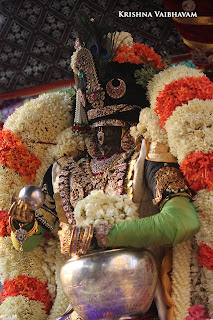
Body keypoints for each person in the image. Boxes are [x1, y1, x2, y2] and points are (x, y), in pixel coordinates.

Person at [6, 14, 201, 320]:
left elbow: (183, 221)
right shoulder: (64, 170)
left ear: (129, 125)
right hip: (76, 306)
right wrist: (23, 224)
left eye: (110, 130)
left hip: (142, 303)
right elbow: (29, 242)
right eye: (96, 130)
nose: (101, 137)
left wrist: (102, 236)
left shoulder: (147, 155)